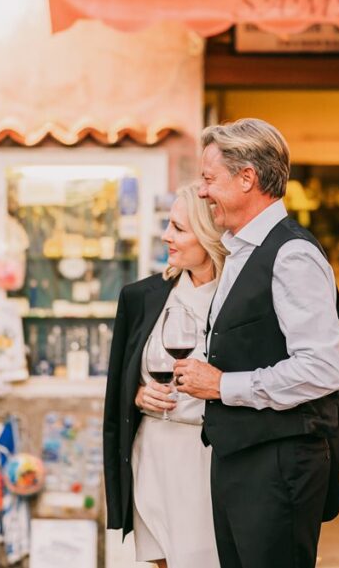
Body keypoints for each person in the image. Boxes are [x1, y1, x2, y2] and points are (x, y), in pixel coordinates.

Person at [174, 118, 339, 568]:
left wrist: (223, 385)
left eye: (210, 179)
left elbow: (323, 369)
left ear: (247, 178)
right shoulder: (240, 250)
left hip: (278, 465)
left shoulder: (292, 254)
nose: (203, 192)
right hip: (242, 459)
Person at [104, 183, 228, 568]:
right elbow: (120, 383)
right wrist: (139, 394)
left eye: (178, 228)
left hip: (206, 460)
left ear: (207, 236)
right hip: (152, 452)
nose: (166, 236)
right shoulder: (142, 296)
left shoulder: (237, 300)